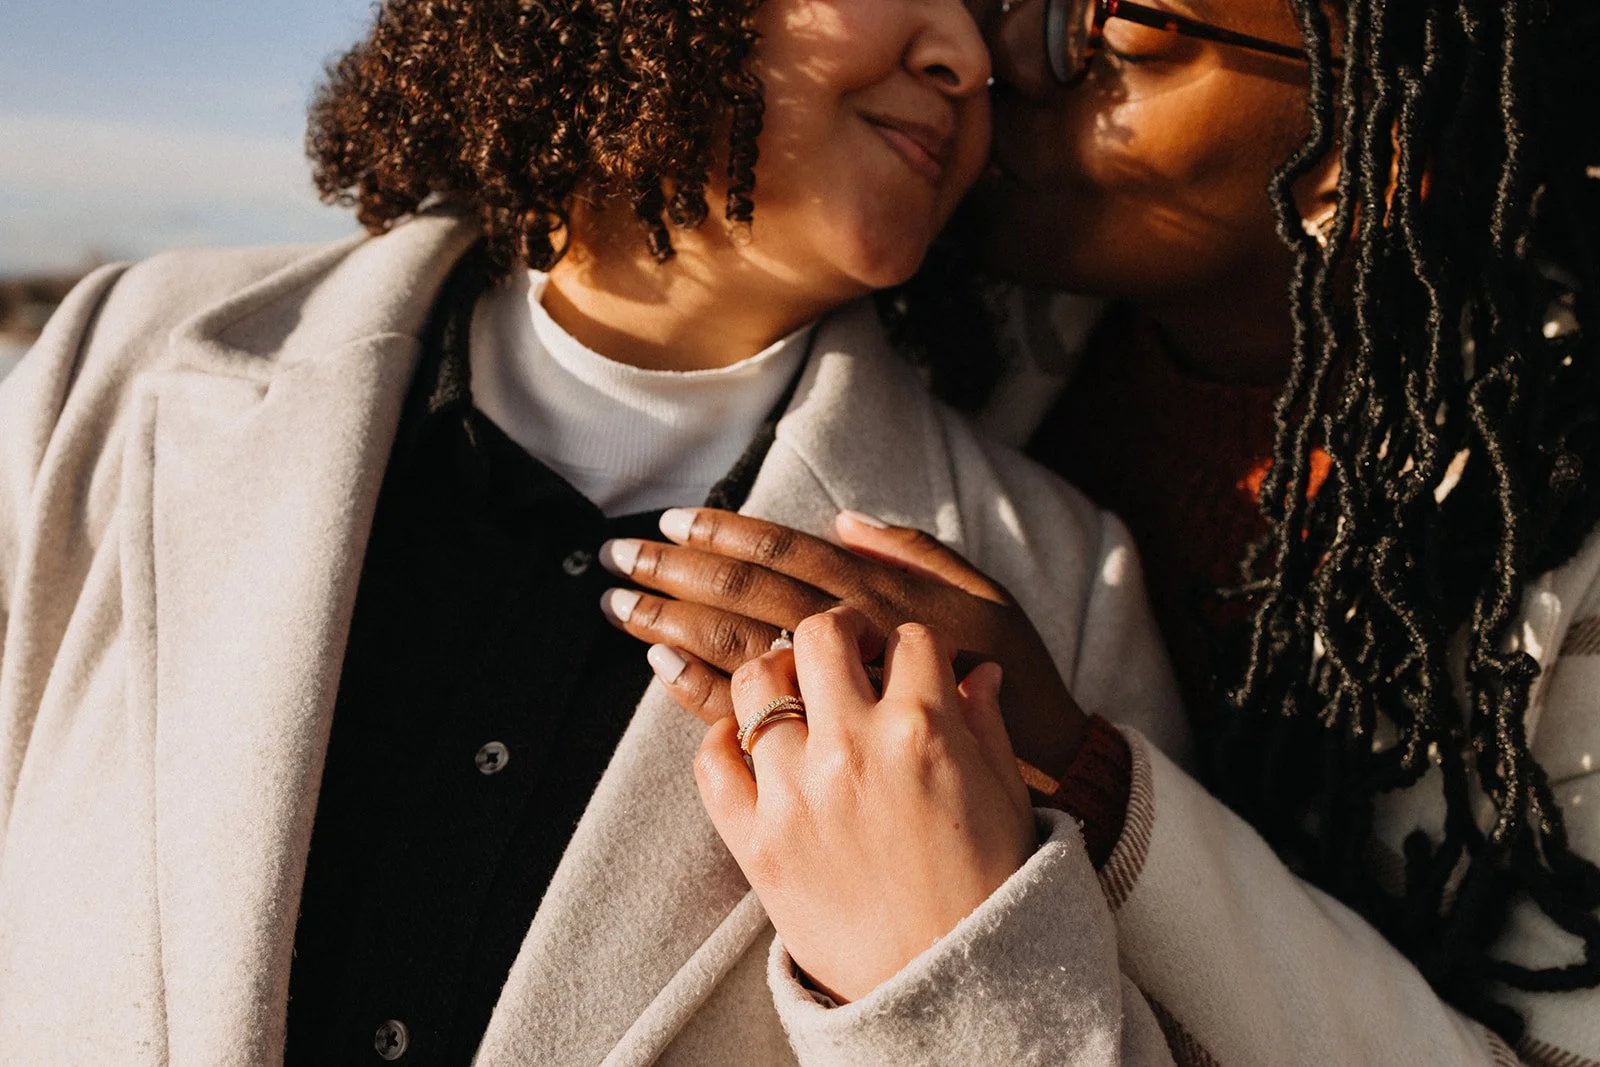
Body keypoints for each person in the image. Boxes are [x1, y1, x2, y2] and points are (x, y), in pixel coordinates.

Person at [0, 0, 1191, 1063]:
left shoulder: (1052, 585)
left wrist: (942, 982)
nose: (964, 55)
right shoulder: (123, 355)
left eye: (987, 16)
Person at [605, 0, 1600, 1062]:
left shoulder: (1552, 517)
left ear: (1365, 144)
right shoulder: (959, 338)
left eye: (1078, 31)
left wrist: (1084, 773)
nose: (995, 64)